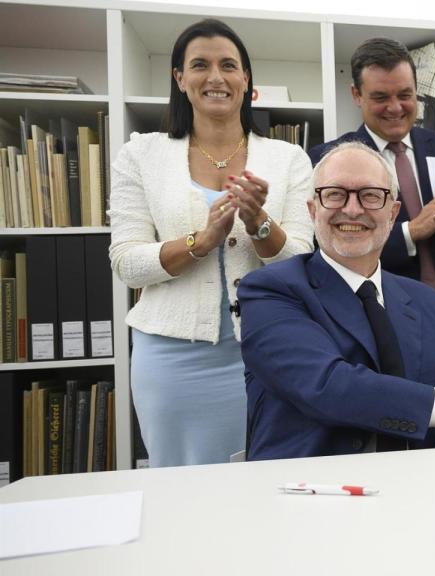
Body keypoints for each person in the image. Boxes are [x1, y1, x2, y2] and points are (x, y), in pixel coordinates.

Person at [108, 19, 314, 467]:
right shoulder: (140, 154)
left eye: (229, 66)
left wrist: (259, 222)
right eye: (199, 65)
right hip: (170, 359)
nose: (216, 77)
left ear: (246, 80)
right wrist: (200, 242)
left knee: (265, 476)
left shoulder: (289, 159)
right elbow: (126, 262)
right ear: (179, 79)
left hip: (268, 350)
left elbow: (303, 260)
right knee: (180, 483)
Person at [240, 142, 435, 460]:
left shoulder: (434, 307)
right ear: (313, 210)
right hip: (307, 496)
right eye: (335, 194)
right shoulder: (269, 291)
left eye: (370, 195)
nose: (352, 209)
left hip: (422, 493)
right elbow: (331, 388)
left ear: (393, 213)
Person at [308, 37, 435, 382]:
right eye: (381, 97)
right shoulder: (333, 160)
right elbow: (325, 250)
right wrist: (412, 231)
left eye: (405, 95)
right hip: (381, 326)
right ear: (356, 96)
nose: (396, 107)